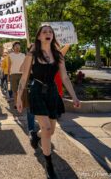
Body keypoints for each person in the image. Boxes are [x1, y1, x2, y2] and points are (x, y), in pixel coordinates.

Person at [16, 25, 80, 179]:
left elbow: (64, 77)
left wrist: (74, 96)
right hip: (37, 91)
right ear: (39, 36)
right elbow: (24, 77)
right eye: (44, 32)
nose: (48, 33)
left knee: (50, 131)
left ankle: (35, 136)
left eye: (50, 32)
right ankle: (49, 164)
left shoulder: (58, 54)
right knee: (46, 128)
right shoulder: (32, 53)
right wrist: (18, 97)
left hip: (52, 92)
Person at [8, 42, 25, 109]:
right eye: (16, 46)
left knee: (21, 90)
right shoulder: (10, 55)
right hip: (13, 75)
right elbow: (9, 66)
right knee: (15, 91)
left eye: (18, 46)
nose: (17, 47)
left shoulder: (23, 55)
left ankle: (21, 103)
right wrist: (8, 76)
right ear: (13, 47)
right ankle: (16, 104)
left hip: (22, 74)